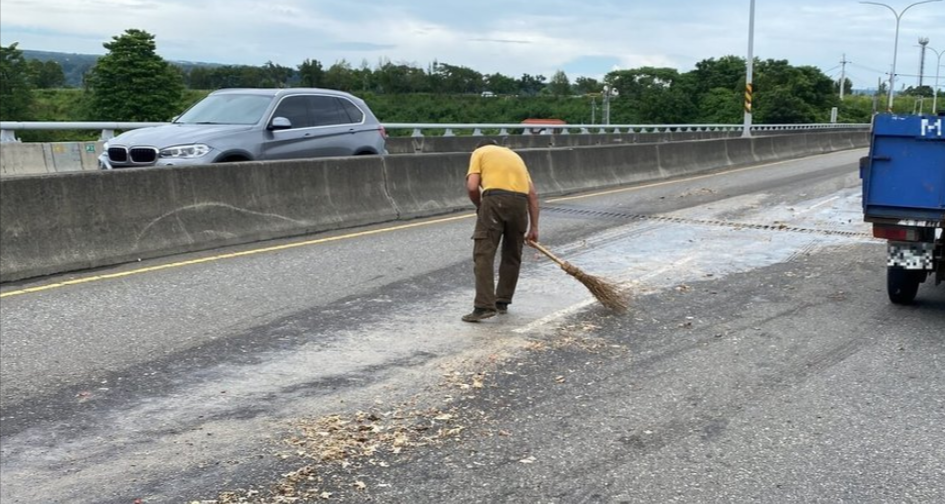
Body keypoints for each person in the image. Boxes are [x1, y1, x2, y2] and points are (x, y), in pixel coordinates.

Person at [462, 140, 540, 322]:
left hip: (494, 200)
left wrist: (480, 206)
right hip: (520, 204)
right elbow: (533, 195)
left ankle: (483, 306)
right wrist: (534, 227)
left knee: (484, 253)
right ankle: (502, 301)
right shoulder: (515, 157)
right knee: (512, 254)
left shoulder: (479, 152)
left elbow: (473, 186)